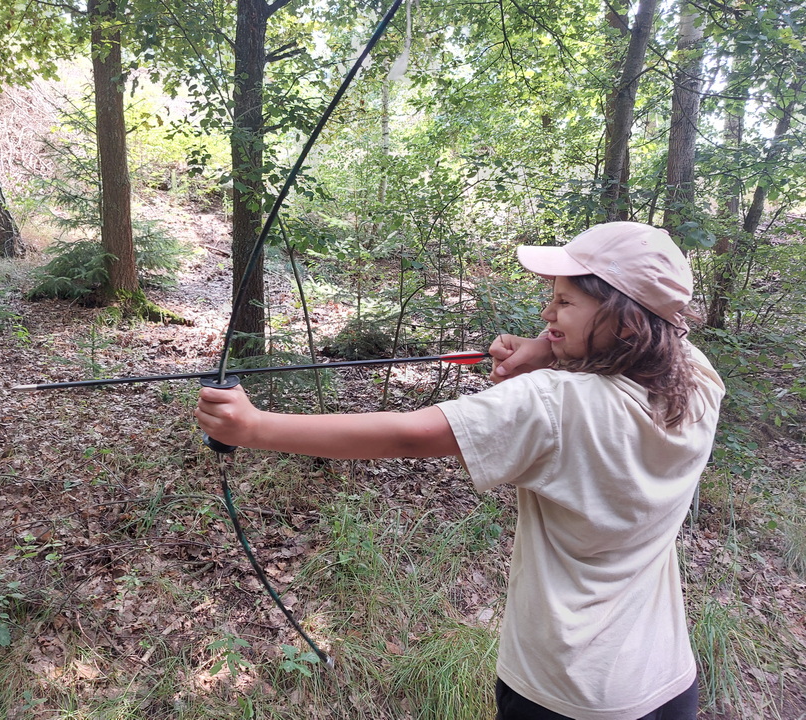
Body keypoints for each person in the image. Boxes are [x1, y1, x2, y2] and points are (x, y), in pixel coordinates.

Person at [196, 221, 725, 720]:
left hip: (566, 691)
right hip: (665, 681)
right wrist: (549, 350)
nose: (548, 312)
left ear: (625, 319)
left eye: (565, 302)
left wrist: (254, 428)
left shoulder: (555, 402)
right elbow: (656, 339)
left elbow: (412, 434)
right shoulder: (697, 384)